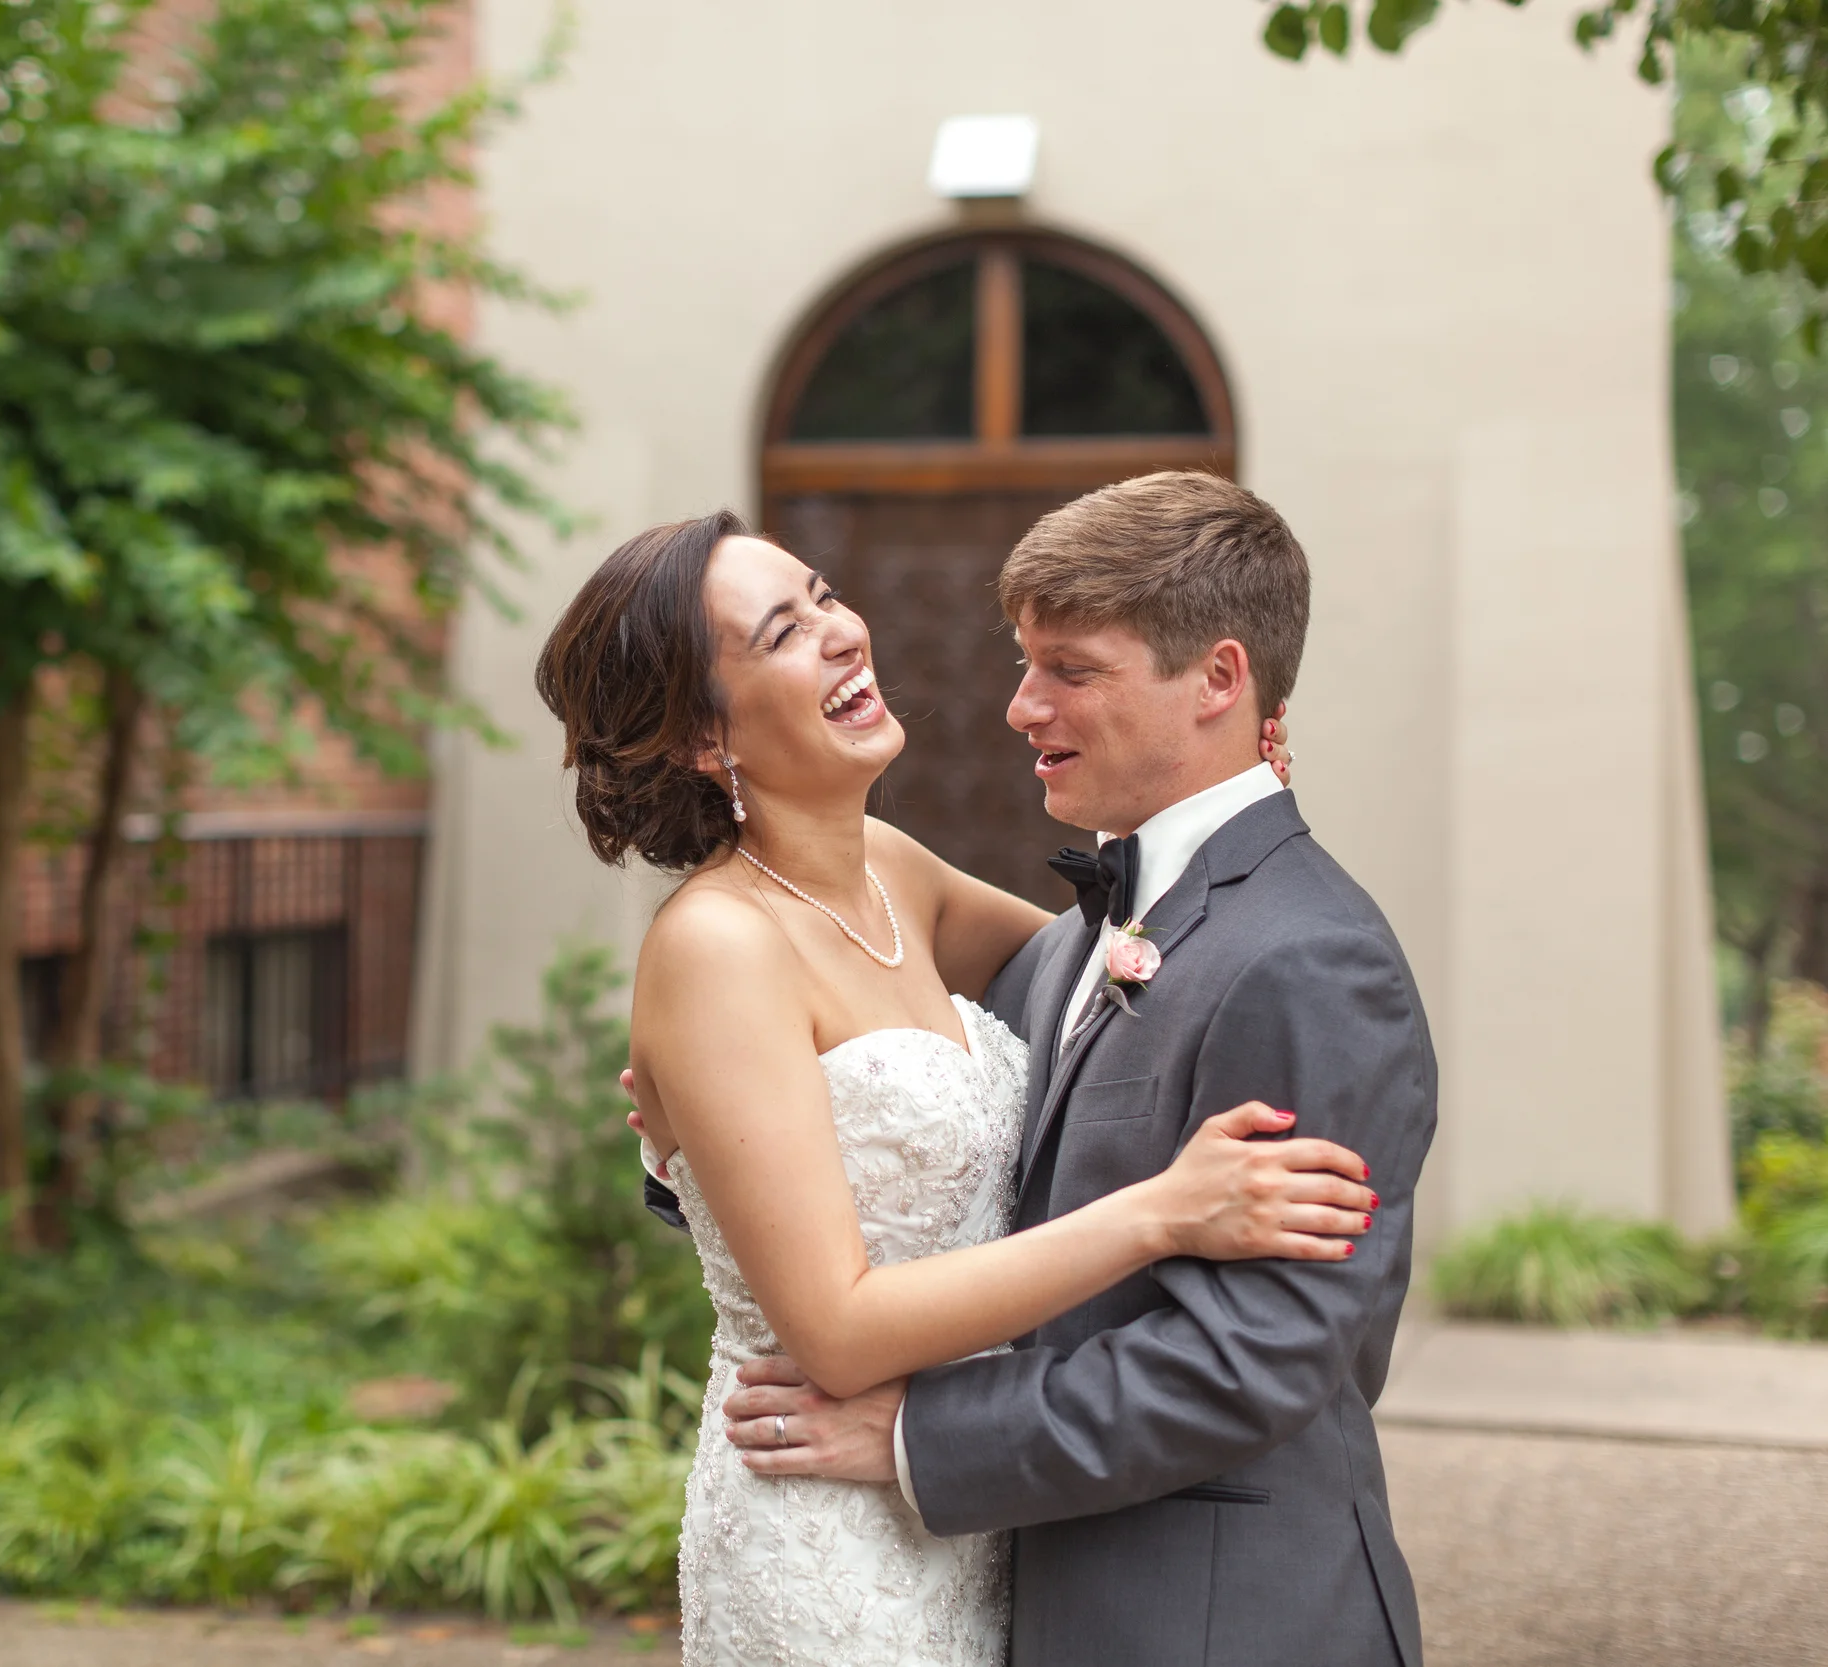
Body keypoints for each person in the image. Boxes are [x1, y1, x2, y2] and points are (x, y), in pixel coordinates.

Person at [532, 492, 1386, 1667]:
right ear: (700, 737)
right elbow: (836, 1328)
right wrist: (1162, 1211)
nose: (840, 631)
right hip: (833, 1527)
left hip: (977, 1512)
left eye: (822, 596)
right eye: (781, 633)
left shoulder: (893, 872)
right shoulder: (718, 943)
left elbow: (1127, 988)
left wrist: (1236, 785)